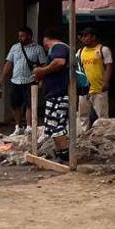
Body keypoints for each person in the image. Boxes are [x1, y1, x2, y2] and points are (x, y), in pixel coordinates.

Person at [0, 26, 46, 133]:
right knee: (15, 104)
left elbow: (43, 65)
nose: (20, 38)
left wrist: (41, 80)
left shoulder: (38, 48)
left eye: (22, 36)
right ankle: (18, 127)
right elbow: (9, 63)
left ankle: (29, 127)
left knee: (29, 104)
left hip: (31, 80)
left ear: (29, 36)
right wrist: (1, 79)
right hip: (16, 80)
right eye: (19, 36)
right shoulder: (15, 48)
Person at [32, 27, 71, 163]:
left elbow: (59, 62)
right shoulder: (60, 48)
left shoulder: (58, 47)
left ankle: (65, 155)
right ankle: (61, 152)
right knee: (52, 125)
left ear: (46, 39)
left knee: (56, 125)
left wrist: (42, 71)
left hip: (59, 93)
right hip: (55, 93)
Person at [76, 26, 113, 132]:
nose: (83, 38)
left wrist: (106, 82)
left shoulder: (103, 50)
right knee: (83, 116)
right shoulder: (80, 52)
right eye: (82, 36)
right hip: (84, 90)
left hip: (99, 89)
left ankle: (105, 135)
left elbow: (109, 66)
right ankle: (84, 135)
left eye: (86, 35)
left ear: (93, 37)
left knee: (103, 117)